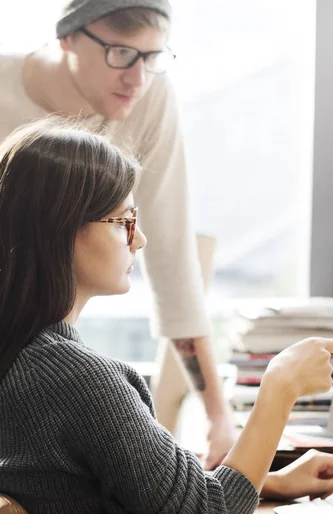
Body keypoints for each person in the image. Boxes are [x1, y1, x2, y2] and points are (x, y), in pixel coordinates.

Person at [0, 118, 333, 513]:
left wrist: (265, 482)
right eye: (124, 222)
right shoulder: (78, 380)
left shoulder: (23, 357)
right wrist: (280, 387)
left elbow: (99, 488)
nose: (140, 239)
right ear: (61, 231)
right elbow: (208, 510)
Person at [0, 0, 236, 468]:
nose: (138, 78)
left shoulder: (150, 94)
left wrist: (218, 418)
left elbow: (170, 256)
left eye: (153, 57)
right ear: (67, 37)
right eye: (121, 53)